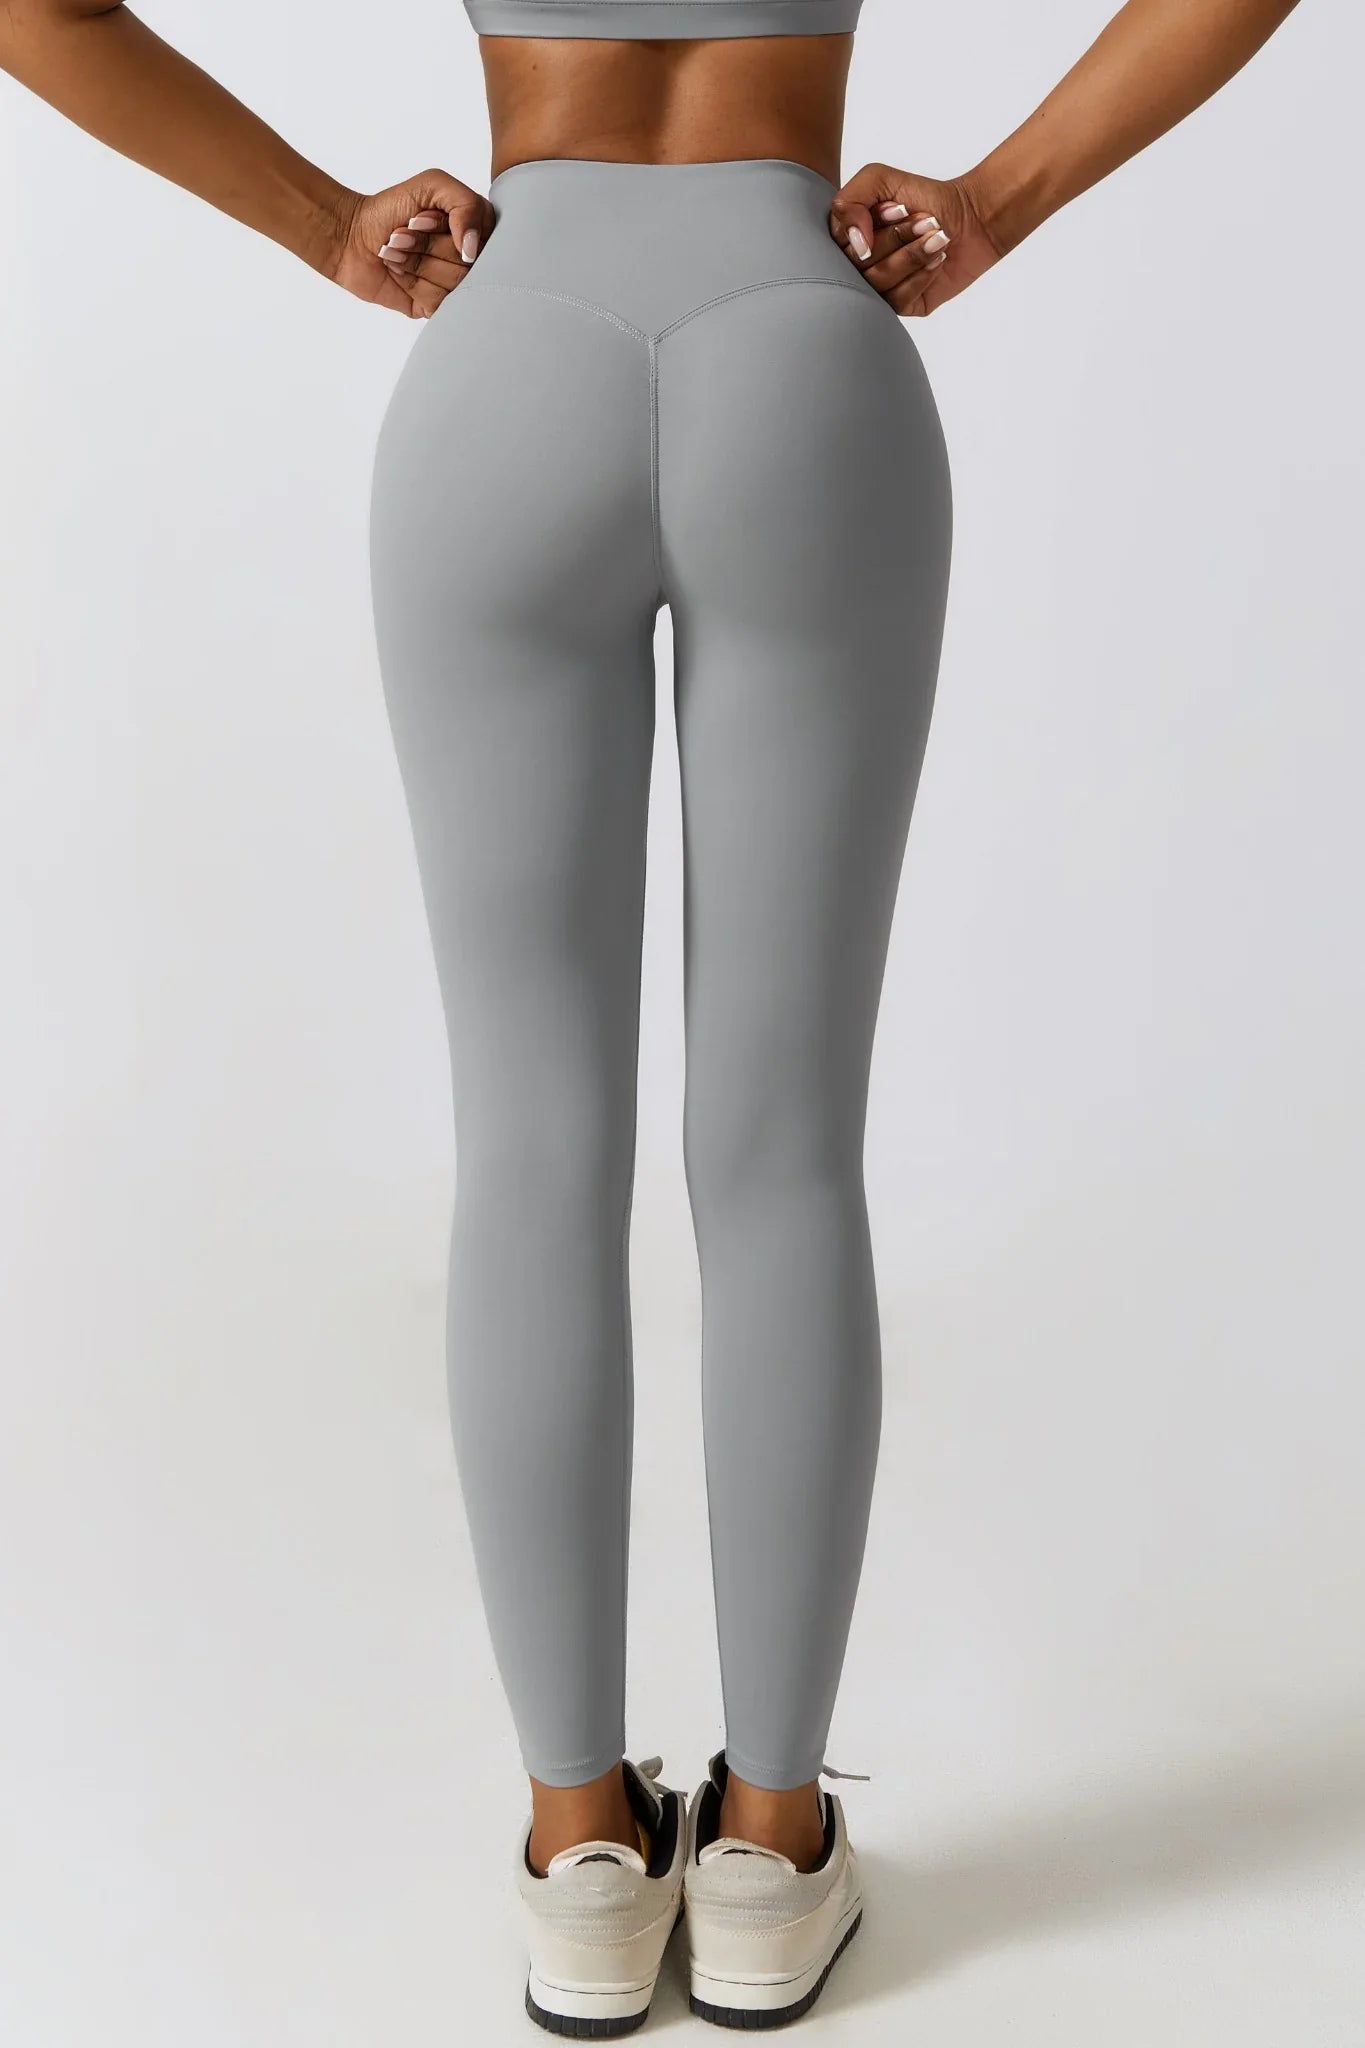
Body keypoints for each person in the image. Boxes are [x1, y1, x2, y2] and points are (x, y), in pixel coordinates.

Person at [2, 0, 1302, 2031]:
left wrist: (323, 221)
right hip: (807, 363)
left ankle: (582, 1851)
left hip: (505, 365)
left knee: (528, 1145)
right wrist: (996, 199)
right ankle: (769, 1844)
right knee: (781, 1145)